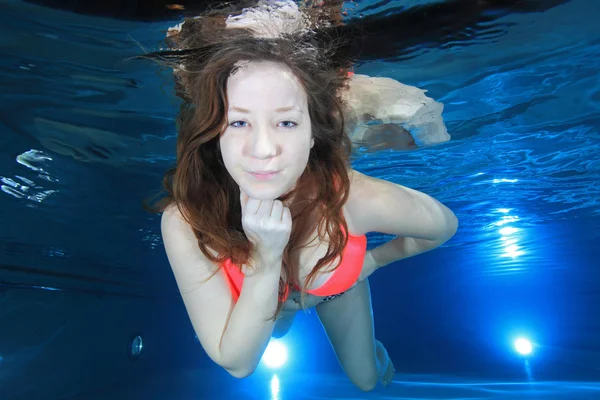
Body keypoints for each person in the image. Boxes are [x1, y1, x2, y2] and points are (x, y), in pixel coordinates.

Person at [145, 6, 458, 393]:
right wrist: (265, 258)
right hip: (267, 301)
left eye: (287, 122)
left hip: (335, 287)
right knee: (269, 331)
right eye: (239, 122)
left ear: (313, 132)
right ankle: (279, 316)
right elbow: (238, 362)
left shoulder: (349, 197)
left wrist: (374, 261)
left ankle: (360, 349)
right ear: (214, 130)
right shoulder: (186, 220)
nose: (262, 150)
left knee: (366, 380)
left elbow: (444, 226)